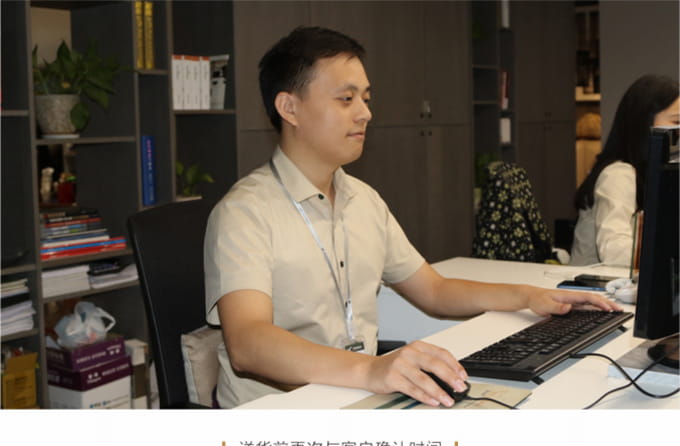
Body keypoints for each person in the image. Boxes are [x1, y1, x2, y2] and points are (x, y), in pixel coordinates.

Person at [204, 26, 620, 409]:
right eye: (346, 99)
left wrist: (529, 296)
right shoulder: (245, 213)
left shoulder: (363, 200)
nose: (365, 113)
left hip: (356, 397)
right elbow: (248, 343)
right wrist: (371, 369)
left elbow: (434, 290)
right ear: (289, 107)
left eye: (366, 99)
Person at [570, 74, 680, 267]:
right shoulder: (618, 175)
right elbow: (615, 251)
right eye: (676, 122)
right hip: (595, 284)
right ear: (645, 122)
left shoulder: (658, 172)